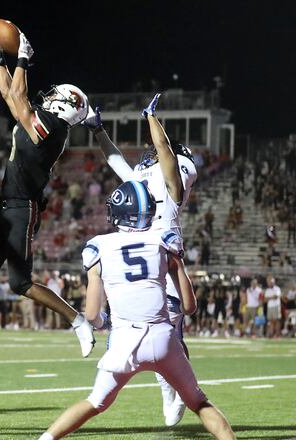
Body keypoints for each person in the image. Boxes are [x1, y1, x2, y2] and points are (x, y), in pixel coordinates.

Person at [38, 181, 235, 440]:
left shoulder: (100, 246)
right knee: (198, 402)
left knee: (95, 402)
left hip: (125, 342)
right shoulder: (163, 241)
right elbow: (189, 307)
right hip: (164, 338)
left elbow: (92, 315)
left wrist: (102, 321)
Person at [0, 25, 95, 361]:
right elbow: (9, 96)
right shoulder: (45, 120)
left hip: (22, 208)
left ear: (66, 106)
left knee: (20, 283)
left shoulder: (55, 129)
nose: (51, 95)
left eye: (58, 95)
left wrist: (23, 59)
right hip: (5, 206)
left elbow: (17, 97)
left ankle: (78, 321)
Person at [83, 93, 196, 426]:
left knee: (170, 336)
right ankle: (170, 390)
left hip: (160, 260)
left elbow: (165, 155)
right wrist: (98, 130)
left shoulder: (173, 185)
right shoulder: (141, 184)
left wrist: (151, 118)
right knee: (133, 332)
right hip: (138, 260)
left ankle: (175, 392)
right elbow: (115, 160)